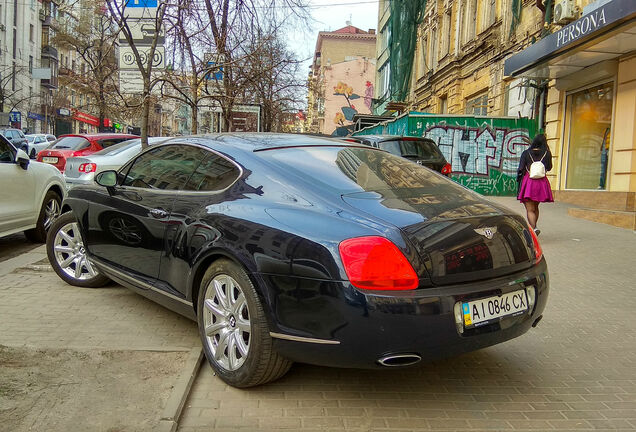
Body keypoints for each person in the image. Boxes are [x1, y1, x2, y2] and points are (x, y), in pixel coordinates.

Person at [516, 134, 553, 235]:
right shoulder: (547, 153)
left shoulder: (526, 153)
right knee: (535, 207)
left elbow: (521, 168)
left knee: (529, 209)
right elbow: (549, 167)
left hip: (529, 182)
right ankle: (534, 227)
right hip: (541, 182)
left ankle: (534, 228)